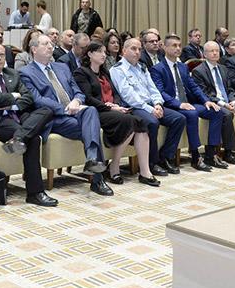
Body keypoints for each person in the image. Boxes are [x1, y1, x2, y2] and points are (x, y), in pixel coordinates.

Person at [19, 34, 112, 196]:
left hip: (75, 111)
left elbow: (77, 90)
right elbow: (38, 101)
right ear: (34, 49)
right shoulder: (25, 73)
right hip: (53, 118)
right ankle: (97, 179)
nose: (50, 47)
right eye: (45, 44)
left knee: (90, 111)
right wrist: (65, 108)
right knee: (92, 128)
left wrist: (76, 100)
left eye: (50, 44)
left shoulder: (62, 67)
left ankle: (92, 160)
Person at [0, 42, 58, 207]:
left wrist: (11, 105)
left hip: (17, 115)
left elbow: (28, 98)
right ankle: (35, 193)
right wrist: (14, 96)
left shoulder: (13, 74)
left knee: (46, 111)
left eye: (2, 55)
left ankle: (18, 138)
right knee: (34, 139)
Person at [73, 40, 160, 187]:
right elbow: (88, 98)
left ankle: (145, 172)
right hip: (97, 112)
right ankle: (115, 165)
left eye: (104, 52)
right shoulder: (81, 72)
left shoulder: (105, 72)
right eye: (99, 51)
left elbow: (116, 93)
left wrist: (117, 105)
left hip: (114, 109)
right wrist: (110, 108)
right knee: (133, 121)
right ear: (90, 54)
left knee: (140, 123)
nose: (103, 55)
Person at [111, 37, 185, 177]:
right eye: (133, 49)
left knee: (179, 118)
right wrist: (150, 109)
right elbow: (128, 96)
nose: (137, 52)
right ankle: (151, 163)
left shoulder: (142, 67)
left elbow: (153, 89)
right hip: (135, 107)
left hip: (151, 105)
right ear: (124, 50)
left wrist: (157, 104)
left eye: (139, 49)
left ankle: (165, 157)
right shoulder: (118, 70)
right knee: (152, 122)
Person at [150, 34, 224, 170]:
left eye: (179, 45)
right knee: (192, 114)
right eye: (174, 45)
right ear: (165, 48)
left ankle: (211, 153)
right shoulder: (157, 69)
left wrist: (206, 101)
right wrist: (179, 104)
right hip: (172, 106)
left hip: (188, 103)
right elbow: (160, 93)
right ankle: (196, 157)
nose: (178, 48)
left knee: (216, 111)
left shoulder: (183, 67)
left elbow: (194, 87)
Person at [192, 41, 235, 163]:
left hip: (228, 101)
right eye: (211, 51)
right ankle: (228, 151)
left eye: (217, 51)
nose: (214, 53)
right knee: (227, 114)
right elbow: (205, 94)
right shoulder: (199, 71)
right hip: (215, 103)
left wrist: (234, 101)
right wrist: (224, 104)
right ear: (205, 54)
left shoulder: (223, 69)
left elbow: (230, 88)